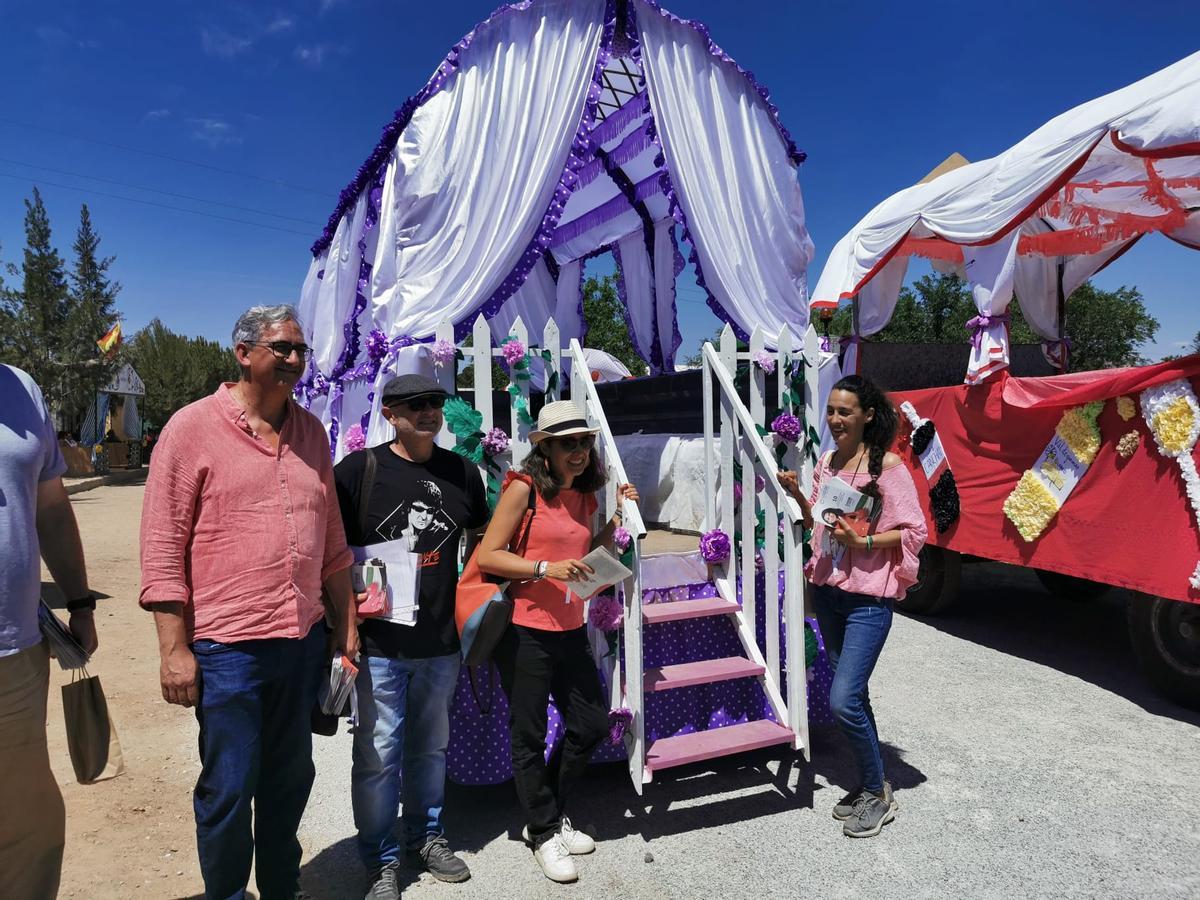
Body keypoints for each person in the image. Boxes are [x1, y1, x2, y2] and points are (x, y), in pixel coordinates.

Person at [139, 305, 358, 900]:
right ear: (242, 352)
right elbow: (162, 549)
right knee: (230, 789)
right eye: (281, 348)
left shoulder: (311, 431)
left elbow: (332, 539)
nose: (294, 360)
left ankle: (282, 890)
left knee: (289, 784)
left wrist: (347, 624)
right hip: (227, 650)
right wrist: (173, 649)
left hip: (300, 643)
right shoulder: (190, 429)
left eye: (300, 350)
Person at [333, 374, 488, 899]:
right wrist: (343, 616)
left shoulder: (465, 474)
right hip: (380, 646)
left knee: (430, 749)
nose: (429, 412)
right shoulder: (359, 470)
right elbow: (327, 549)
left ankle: (426, 836)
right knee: (378, 755)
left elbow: (483, 544)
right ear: (391, 412)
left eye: (436, 403)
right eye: (416, 404)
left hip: (441, 644)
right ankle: (380, 859)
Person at [477, 400, 638, 884]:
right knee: (527, 735)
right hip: (524, 630)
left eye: (584, 441)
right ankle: (545, 830)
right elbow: (490, 555)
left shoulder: (585, 495)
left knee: (589, 725)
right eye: (567, 443)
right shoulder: (523, 488)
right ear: (543, 448)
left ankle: (546, 812)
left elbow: (586, 555)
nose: (579, 451)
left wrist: (615, 523)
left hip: (570, 627)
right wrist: (545, 569)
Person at [779, 374, 927, 839]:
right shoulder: (827, 461)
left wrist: (862, 538)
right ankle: (869, 783)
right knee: (855, 695)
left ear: (867, 415)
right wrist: (800, 496)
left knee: (842, 698)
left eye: (846, 411)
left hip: (867, 599)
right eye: (832, 411)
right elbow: (821, 523)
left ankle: (879, 796)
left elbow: (913, 531)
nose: (836, 419)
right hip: (830, 591)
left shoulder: (888, 467)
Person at [0, 365, 99, 900]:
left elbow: (53, 512)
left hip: (13, 650)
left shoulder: (20, 388)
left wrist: (80, 602)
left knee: (21, 821)